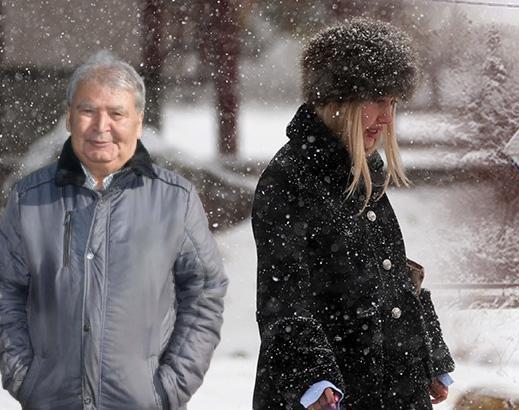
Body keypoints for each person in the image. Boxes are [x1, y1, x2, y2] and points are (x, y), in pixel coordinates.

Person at [0, 51, 228, 409]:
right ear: (69, 118)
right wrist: (24, 376)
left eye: (117, 113)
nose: (100, 126)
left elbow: (204, 293)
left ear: (138, 121)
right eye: (88, 111)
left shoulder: (176, 200)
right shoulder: (28, 199)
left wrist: (170, 386)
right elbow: (6, 290)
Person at [252, 19, 455, 409]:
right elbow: (282, 296)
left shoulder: (366, 173)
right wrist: (313, 380)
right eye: (376, 100)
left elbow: (394, 276)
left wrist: (429, 353)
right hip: (333, 396)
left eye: (393, 103)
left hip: (395, 388)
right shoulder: (290, 178)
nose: (387, 118)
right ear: (335, 99)